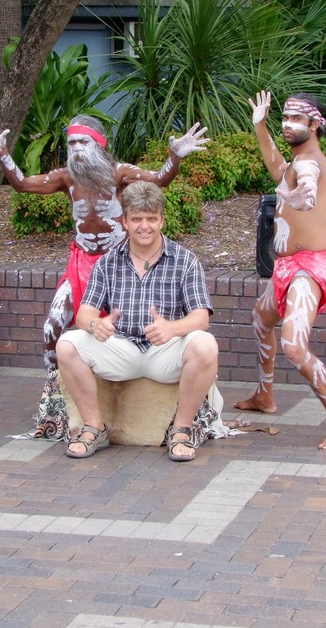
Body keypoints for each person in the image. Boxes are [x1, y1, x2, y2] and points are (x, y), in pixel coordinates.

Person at [0, 115, 209, 439]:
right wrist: (1, 153)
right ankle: (57, 401)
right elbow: (23, 183)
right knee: (53, 325)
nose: (77, 148)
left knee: (125, 327)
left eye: (84, 142)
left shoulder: (118, 173)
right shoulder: (67, 178)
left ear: (99, 145)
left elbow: (158, 180)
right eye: (71, 143)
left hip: (117, 266)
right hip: (81, 263)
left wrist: (176, 156)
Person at [55, 181, 221, 462]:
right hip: (121, 348)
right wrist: (97, 325)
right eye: (137, 219)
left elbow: (201, 317)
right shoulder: (108, 262)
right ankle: (94, 427)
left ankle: (181, 429)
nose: (145, 226)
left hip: (165, 352)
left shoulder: (185, 260)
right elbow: (85, 313)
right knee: (68, 344)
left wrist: (171, 328)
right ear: (125, 222)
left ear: (162, 220)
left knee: (205, 344)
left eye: (151, 219)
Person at [232, 91, 326, 450]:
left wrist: (306, 194)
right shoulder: (296, 160)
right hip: (285, 267)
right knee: (260, 318)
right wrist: (259, 125)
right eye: (284, 117)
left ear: (316, 124)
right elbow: (277, 166)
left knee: (294, 346)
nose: (287, 125)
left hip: (307, 269)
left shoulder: (311, 161)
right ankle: (265, 396)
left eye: (296, 119)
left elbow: (307, 180)